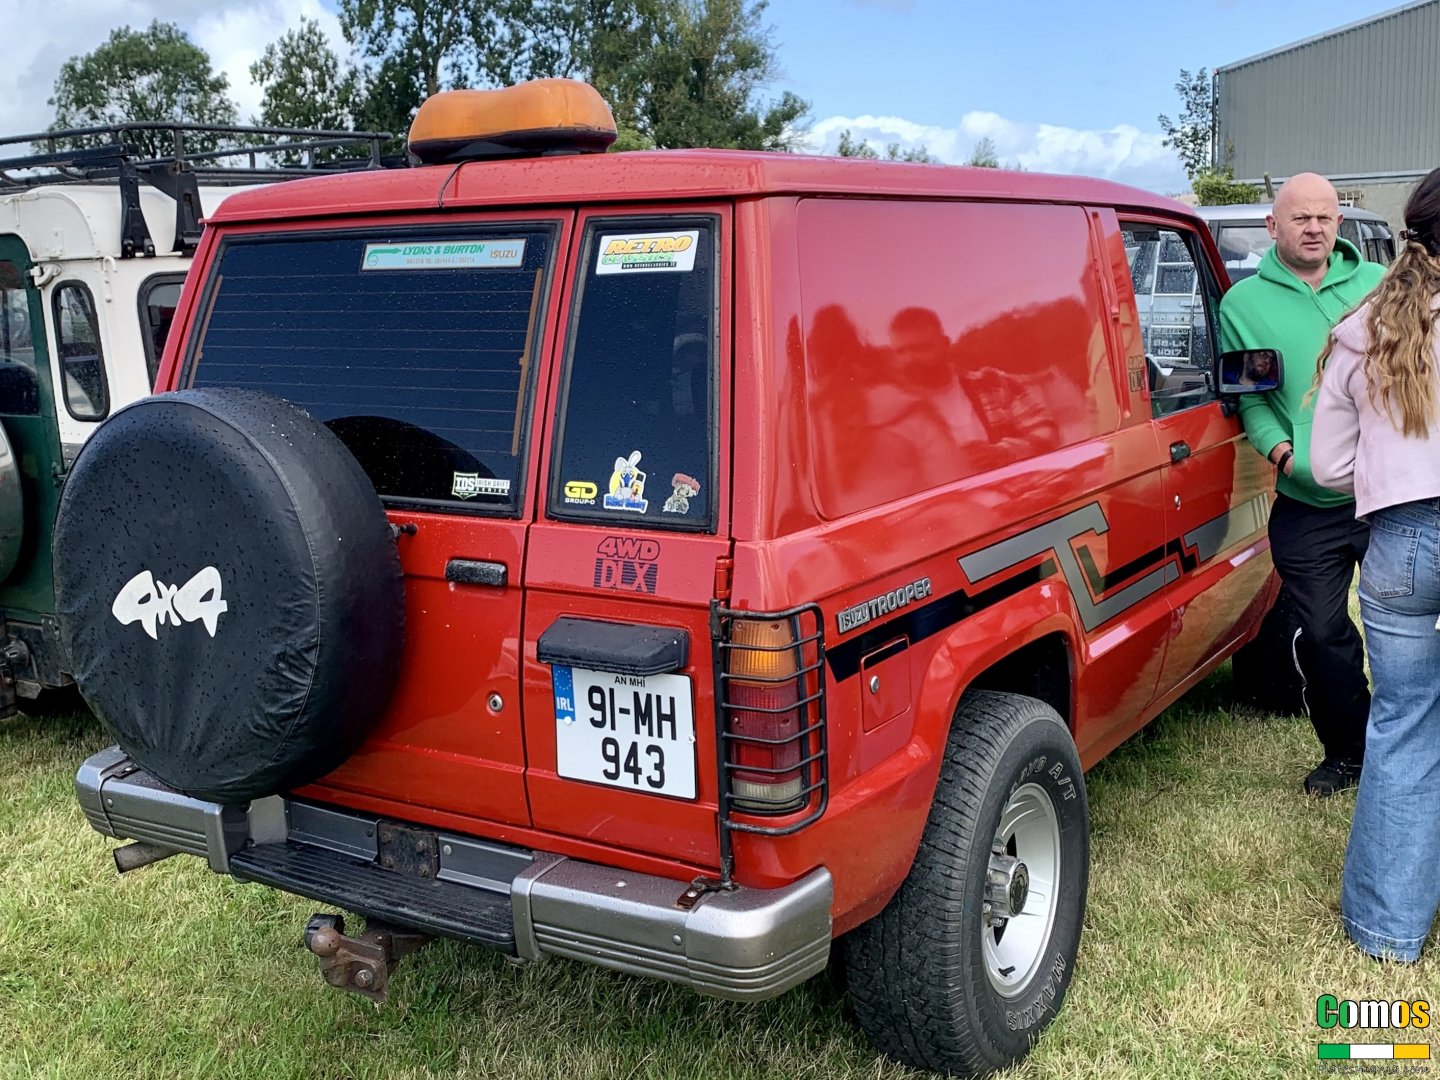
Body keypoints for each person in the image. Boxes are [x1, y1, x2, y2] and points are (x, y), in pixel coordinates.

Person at [1218, 173, 1386, 797]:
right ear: (1272, 227)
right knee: (1320, 632)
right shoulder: (1242, 306)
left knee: (1406, 630)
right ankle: (1350, 752)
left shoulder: (1379, 286)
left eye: (1324, 217)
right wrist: (1283, 452)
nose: (1314, 228)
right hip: (1308, 504)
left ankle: (1406, 748)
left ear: (1339, 223)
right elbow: (1250, 397)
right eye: (1300, 218)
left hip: (1387, 497)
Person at [1311, 167, 1440, 961]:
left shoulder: (1364, 325)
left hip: (1399, 541)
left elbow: (1328, 465)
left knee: (1403, 724)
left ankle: (1388, 930)